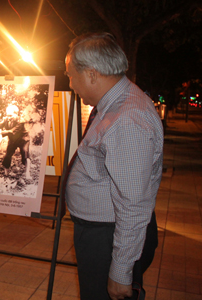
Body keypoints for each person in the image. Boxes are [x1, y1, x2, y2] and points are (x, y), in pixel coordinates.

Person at [64, 33, 163, 300]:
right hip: (102, 232)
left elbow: (133, 203)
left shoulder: (127, 118)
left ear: (93, 74)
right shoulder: (113, 106)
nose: (71, 84)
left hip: (108, 237)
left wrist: (120, 270)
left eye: (72, 76)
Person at [0, 105, 31, 179]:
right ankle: (6, 173)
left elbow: (12, 131)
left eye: (10, 115)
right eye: (7, 115)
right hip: (13, 140)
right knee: (7, 155)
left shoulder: (21, 120)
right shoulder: (6, 119)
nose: (9, 117)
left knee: (25, 154)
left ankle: (27, 173)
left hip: (23, 139)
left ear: (16, 113)